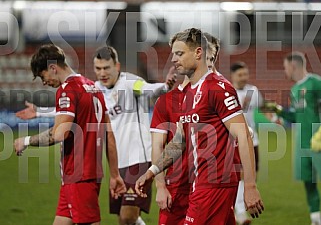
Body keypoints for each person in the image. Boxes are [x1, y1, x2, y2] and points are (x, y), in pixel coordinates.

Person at [16, 45, 177, 225]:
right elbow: (69, 110)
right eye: (98, 68)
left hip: (135, 159)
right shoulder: (94, 88)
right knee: (122, 218)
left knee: (127, 216)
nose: (102, 73)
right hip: (115, 160)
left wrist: (164, 86)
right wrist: (39, 112)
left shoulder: (131, 83)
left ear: (116, 67)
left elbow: (149, 89)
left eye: (106, 68)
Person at [135, 28, 264, 225]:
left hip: (215, 184)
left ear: (198, 53)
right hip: (199, 183)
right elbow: (179, 143)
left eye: (179, 54)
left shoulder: (219, 88)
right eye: (173, 54)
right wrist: (152, 172)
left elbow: (243, 135)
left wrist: (250, 185)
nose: (173, 60)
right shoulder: (187, 94)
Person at [13, 44, 126, 225]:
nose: (44, 82)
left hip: (79, 176)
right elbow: (109, 135)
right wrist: (114, 174)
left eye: (43, 76)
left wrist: (26, 140)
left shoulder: (67, 90)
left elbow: (60, 134)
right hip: (82, 175)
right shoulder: (92, 88)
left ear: (52, 68)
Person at [150, 33, 221, 225]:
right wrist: (160, 186)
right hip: (176, 188)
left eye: (212, 59)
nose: (209, 64)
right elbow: (157, 146)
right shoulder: (166, 102)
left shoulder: (218, 94)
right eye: (206, 58)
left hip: (211, 188)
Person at [264, 52, 321, 225]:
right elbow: (296, 117)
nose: (284, 71)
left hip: (318, 141)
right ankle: (316, 218)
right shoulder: (294, 90)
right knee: (308, 181)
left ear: (293, 66)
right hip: (302, 143)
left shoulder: (315, 83)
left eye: (285, 67)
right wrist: (279, 111)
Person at [230, 62, 263, 225]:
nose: (244, 78)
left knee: (250, 175)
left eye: (245, 74)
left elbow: (261, 108)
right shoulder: (228, 92)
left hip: (253, 140)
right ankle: (240, 212)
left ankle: (239, 208)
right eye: (240, 75)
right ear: (233, 76)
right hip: (234, 142)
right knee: (240, 176)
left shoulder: (254, 91)